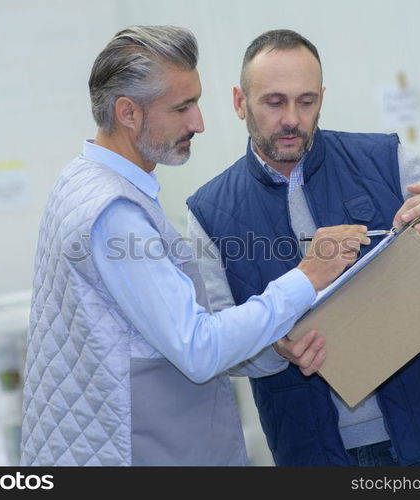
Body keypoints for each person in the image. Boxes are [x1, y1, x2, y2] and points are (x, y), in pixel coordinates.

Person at [20, 25, 359, 466]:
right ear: (128, 113)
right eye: (182, 108)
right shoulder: (114, 213)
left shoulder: (80, 180)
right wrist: (305, 278)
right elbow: (199, 350)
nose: (197, 123)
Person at [186, 29, 420, 466]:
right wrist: (273, 348)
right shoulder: (208, 212)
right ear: (239, 102)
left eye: (306, 101)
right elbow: (218, 344)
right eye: (274, 102)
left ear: (322, 96)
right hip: (312, 453)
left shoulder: (384, 159)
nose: (291, 119)